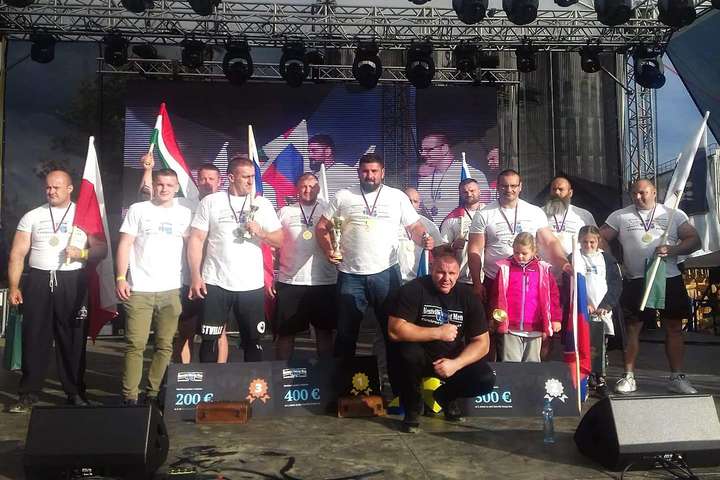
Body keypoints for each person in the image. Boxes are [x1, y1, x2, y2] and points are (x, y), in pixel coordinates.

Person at [315, 153, 433, 390]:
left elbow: (414, 226)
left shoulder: (396, 197)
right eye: (365, 171)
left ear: (383, 173)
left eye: (374, 171)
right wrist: (329, 251)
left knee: (393, 333)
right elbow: (322, 227)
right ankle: (341, 390)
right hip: (351, 275)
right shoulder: (344, 196)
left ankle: (399, 391)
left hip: (386, 274)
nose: (369, 175)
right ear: (358, 172)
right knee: (346, 335)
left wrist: (424, 238)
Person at [8, 170, 108, 413]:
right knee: (34, 338)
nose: (51, 191)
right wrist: (13, 286)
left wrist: (81, 253)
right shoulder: (33, 216)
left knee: (72, 340)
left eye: (56, 187)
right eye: (48, 187)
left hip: (72, 280)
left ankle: (75, 393)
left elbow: (101, 249)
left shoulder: (83, 215)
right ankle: (28, 394)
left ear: (70, 189)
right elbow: (17, 254)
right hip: (39, 280)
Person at [600, 178, 701, 394]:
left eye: (643, 193)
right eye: (634, 193)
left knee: (674, 327)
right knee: (632, 329)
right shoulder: (620, 216)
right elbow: (599, 238)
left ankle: (677, 377)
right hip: (636, 279)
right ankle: (628, 376)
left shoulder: (673, 214)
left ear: (654, 192)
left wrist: (673, 250)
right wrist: (614, 264)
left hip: (668, 277)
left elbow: (694, 240)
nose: (638, 197)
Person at [388, 247, 495, 433]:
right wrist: (437, 333)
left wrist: (456, 364)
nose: (446, 278)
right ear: (431, 270)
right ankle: (412, 408)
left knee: (485, 378)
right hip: (419, 356)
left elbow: (482, 343)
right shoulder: (413, 289)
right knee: (406, 354)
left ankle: (446, 396)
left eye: (452, 273)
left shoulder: (467, 296)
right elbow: (395, 330)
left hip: (450, 359)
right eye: (441, 272)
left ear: (458, 273)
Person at [467, 169, 570, 360]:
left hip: (529, 283)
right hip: (496, 281)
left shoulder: (534, 212)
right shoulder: (484, 214)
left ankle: (536, 373)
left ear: (520, 187)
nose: (509, 190)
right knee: (494, 330)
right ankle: (495, 374)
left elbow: (550, 241)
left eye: (514, 186)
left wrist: (564, 263)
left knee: (538, 331)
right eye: (505, 186)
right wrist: (477, 282)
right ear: (498, 187)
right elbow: (474, 249)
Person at [188, 156, 283, 363]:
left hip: (251, 284)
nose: (250, 181)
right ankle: (210, 382)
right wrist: (195, 275)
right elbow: (196, 239)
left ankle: (253, 383)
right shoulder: (211, 202)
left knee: (253, 341)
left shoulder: (262, 203)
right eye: (245, 177)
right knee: (209, 340)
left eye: (252, 177)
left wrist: (262, 233)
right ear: (231, 177)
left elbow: (280, 239)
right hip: (215, 281)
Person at [115, 168, 193, 405]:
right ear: (154, 185)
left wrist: (195, 277)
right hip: (139, 289)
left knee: (165, 345)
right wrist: (121, 277)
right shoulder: (138, 209)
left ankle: (153, 392)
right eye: (160, 184)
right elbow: (125, 244)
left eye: (169, 185)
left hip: (171, 289)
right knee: (135, 344)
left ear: (176, 188)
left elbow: (193, 247)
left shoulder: (185, 213)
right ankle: (130, 395)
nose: (164, 189)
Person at [274, 173, 337, 360]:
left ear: (318, 189)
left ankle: (326, 372)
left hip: (324, 281)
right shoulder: (285, 212)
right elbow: (273, 244)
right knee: (286, 332)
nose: (308, 190)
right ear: (297, 189)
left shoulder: (329, 211)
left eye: (312, 186)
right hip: (291, 281)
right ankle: (281, 373)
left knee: (324, 331)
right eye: (303, 186)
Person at [489, 233, 562, 362]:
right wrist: (494, 318)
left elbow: (553, 296)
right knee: (511, 363)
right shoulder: (505, 268)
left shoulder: (543, 269)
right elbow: (496, 295)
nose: (520, 256)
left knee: (532, 364)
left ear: (534, 251)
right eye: (516, 252)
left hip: (535, 327)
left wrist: (555, 319)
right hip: (511, 327)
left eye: (524, 253)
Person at [574, 225, 623, 397]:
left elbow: (616, 284)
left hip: (602, 312)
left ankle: (600, 378)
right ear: (579, 241)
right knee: (583, 346)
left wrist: (606, 305)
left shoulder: (607, 259)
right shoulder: (574, 257)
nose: (588, 245)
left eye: (592, 242)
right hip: (582, 311)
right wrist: (583, 303)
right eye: (584, 242)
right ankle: (584, 378)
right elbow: (570, 283)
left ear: (598, 241)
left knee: (600, 347)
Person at [416, 133, 491, 222]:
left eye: (428, 150)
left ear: (444, 149)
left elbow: (483, 208)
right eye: (422, 150)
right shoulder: (424, 181)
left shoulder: (472, 174)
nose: (423, 154)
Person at [440, 178, 486, 285]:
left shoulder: (490, 213)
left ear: (479, 191)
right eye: (465, 192)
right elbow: (441, 246)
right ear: (460, 194)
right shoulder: (452, 218)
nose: (469, 194)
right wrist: (453, 245)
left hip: (488, 275)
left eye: (472, 190)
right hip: (462, 278)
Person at [543, 175, 597, 256]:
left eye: (561, 189)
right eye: (554, 189)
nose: (557, 192)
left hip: (577, 260)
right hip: (546, 261)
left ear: (570, 193)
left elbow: (596, 239)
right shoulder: (539, 213)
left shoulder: (583, 215)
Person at [398, 187, 442, 283]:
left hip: (419, 278)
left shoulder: (430, 225)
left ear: (419, 204)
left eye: (415, 201)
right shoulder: (389, 222)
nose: (411, 204)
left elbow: (440, 253)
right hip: (393, 279)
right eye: (408, 200)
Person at [308, 134, 357, 198]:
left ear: (328, 152)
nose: (310, 155)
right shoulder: (313, 176)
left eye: (314, 151)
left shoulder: (342, 171)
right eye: (309, 151)